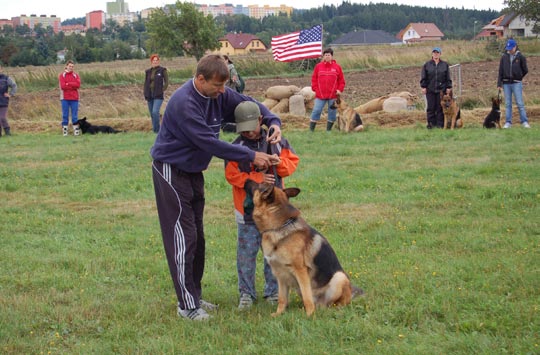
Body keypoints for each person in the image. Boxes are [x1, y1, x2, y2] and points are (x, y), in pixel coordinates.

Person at [150, 54, 282, 321]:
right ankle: (187, 306)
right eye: (217, 86)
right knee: (182, 236)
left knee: (197, 236)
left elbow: (251, 104)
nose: (223, 92)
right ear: (200, 79)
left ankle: (194, 297)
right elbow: (208, 143)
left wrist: (274, 121)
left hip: (193, 171)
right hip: (170, 169)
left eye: (225, 86)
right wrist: (250, 156)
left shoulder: (218, 94)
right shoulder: (184, 103)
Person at [224, 101, 300, 310]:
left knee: (274, 253)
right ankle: (246, 294)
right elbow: (232, 175)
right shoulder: (235, 148)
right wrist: (257, 177)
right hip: (247, 213)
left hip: (275, 215)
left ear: (260, 120)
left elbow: (291, 164)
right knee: (246, 255)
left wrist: (278, 164)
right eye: (243, 130)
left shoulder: (277, 142)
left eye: (251, 128)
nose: (248, 133)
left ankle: (273, 292)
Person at [309, 47, 346, 132]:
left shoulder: (337, 67)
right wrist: (315, 88)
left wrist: (339, 90)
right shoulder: (318, 67)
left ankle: (328, 130)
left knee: (332, 112)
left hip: (333, 95)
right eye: (325, 55)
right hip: (320, 95)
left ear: (332, 56)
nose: (327, 56)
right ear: (323, 56)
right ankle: (311, 130)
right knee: (316, 110)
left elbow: (341, 81)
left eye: (329, 55)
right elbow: (314, 79)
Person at [497, 38, 530, 129]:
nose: (510, 50)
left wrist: (519, 76)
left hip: (516, 83)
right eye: (508, 48)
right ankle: (508, 122)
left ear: (515, 47)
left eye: (511, 48)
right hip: (506, 84)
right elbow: (500, 71)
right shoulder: (504, 57)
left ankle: (524, 121)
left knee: (520, 103)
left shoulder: (520, 57)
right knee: (508, 104)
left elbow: (525, 70)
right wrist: (499, 84)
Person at [420, 47, 452, 129]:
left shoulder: (444, 65)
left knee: (440, 108)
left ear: (440, 54)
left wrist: (448, 87)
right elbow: (424, 76)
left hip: (441, 90)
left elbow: (448, 77)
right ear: (432, 54)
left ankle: (440, 125)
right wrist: (423, 87)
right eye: (434, 53)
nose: (435, 54)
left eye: (437, 53)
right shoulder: (427, 65)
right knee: (431, 108)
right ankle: (431, 125)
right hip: (430, 89)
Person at [144, 54, 169, 133]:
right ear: (151, 62)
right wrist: (145, 92)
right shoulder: (148, 71)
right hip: (149, 94)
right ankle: (155, 129)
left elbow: (167, 82)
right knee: (152, 114)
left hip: (158, 94)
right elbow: (146, 83)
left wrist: (162, 90)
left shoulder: (162, 70)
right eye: (154, 60)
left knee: (155, 112)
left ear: (159, 61)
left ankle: (157, 131)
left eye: (156, 60)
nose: (155, 62)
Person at [59, 60, 81, 136]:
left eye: (72, 66)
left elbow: (78, 85)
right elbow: (63, 86)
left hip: (74, 98)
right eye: (70, 66)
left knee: (74, 115)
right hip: (64, 98)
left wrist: (68, 83)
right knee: (65, 115)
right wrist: (72, 85)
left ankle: (76, 131)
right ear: (66, 66)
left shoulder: (76, 75)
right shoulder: (62, 75)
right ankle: (65, 131)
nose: (71, 68)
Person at [0, 64, 17, 137]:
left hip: (3, 101)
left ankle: (7, 132)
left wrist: (11, 94)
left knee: (2, 117)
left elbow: (14, 85)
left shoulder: (6, 78)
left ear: (1, 69)